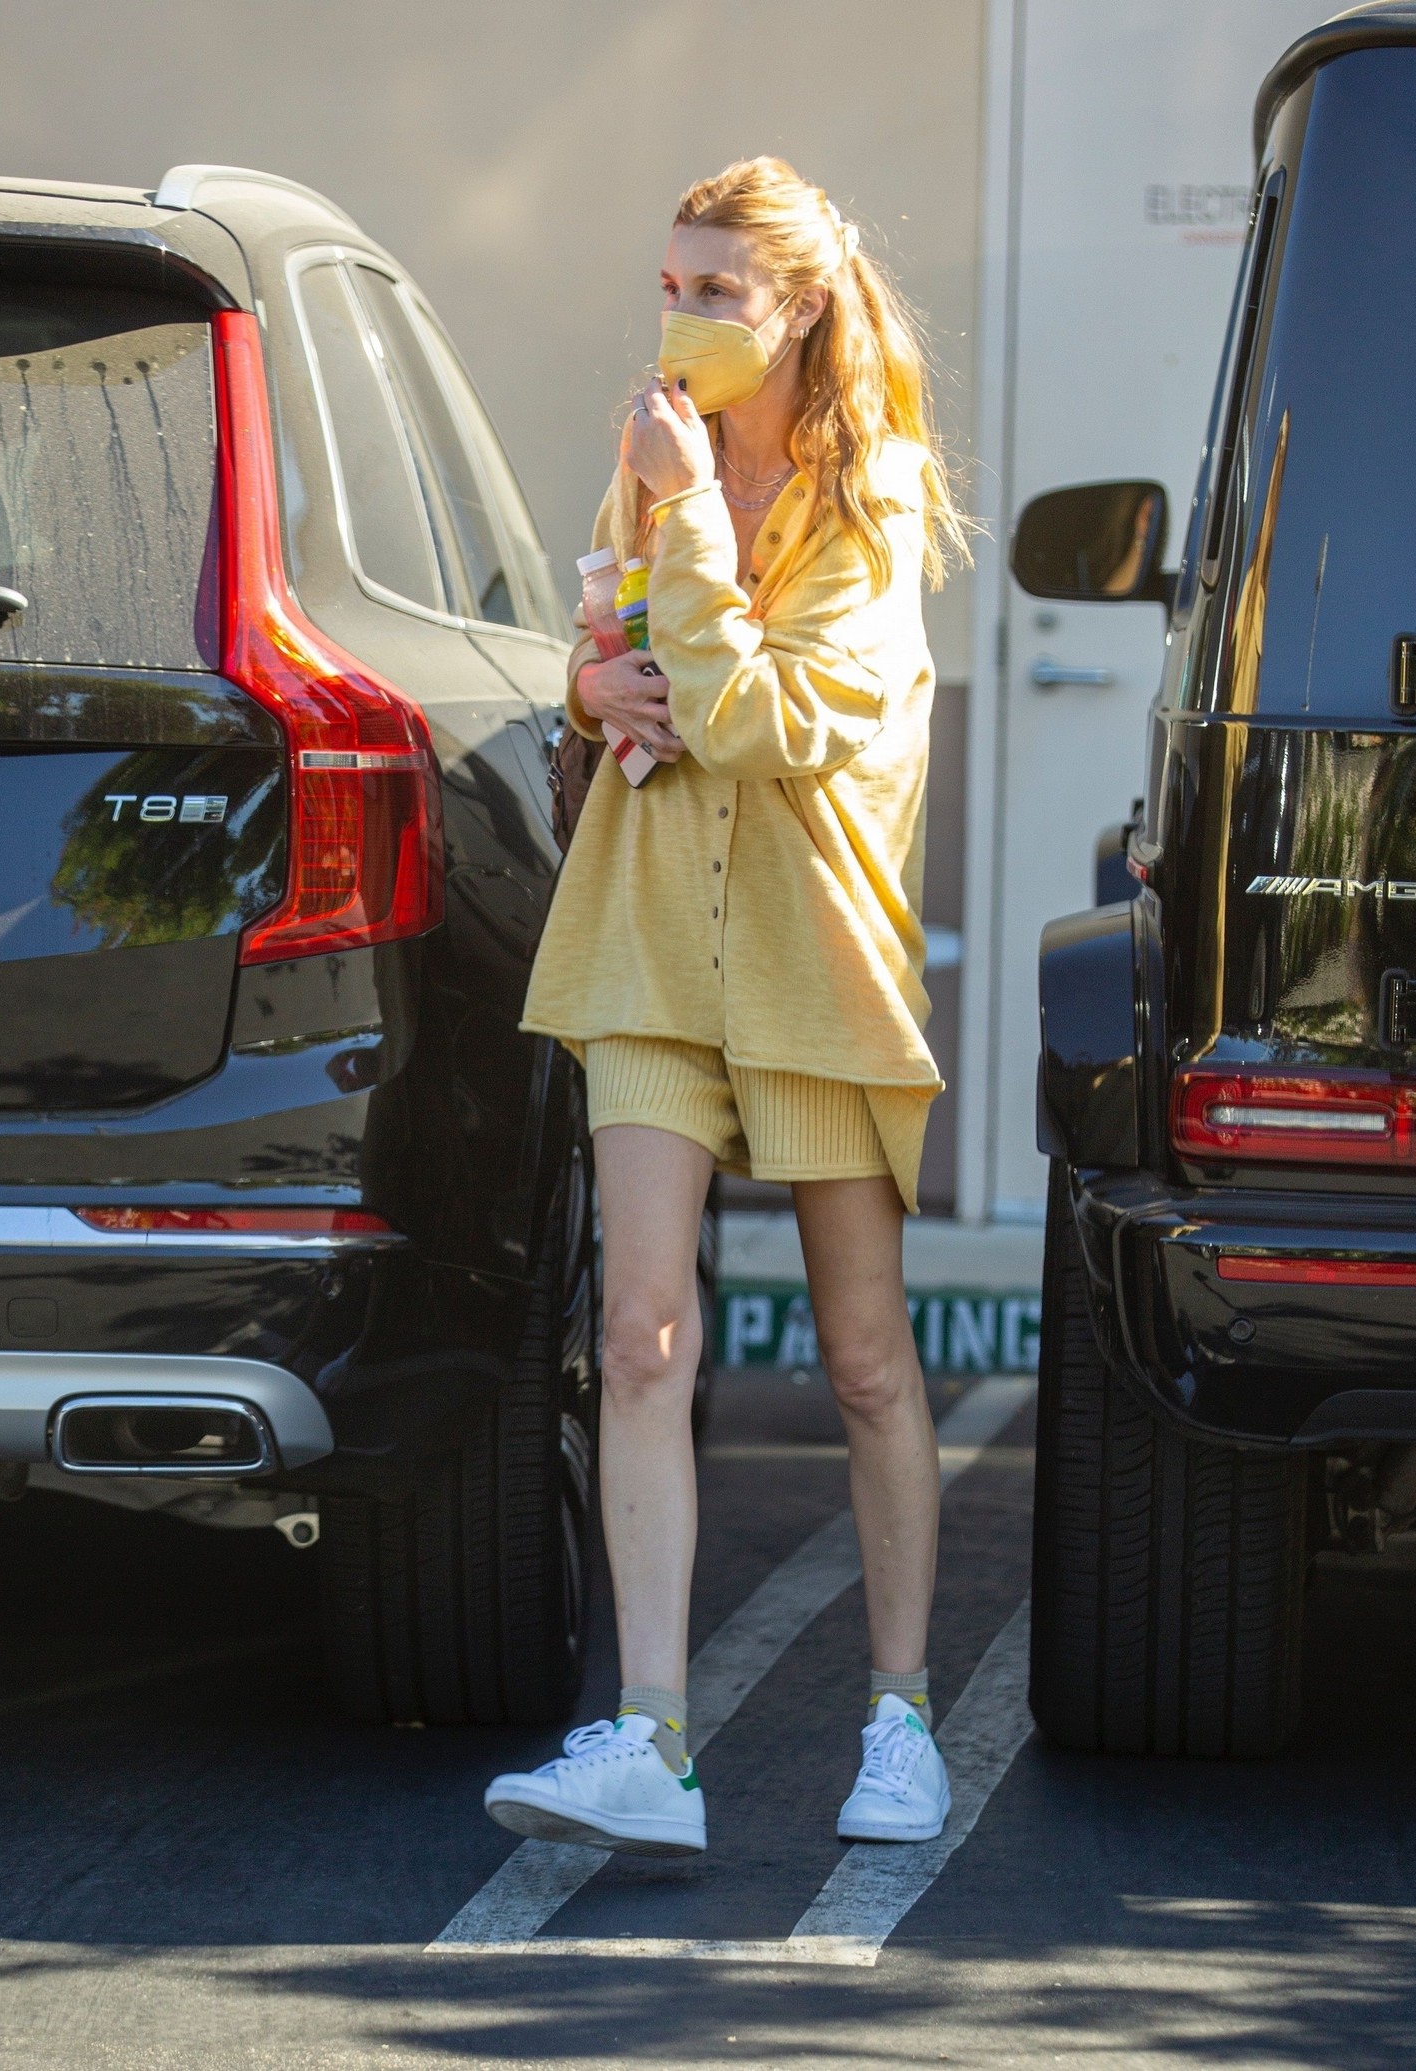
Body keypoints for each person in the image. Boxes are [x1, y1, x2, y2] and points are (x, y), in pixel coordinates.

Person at [484, 156, 966, 1857]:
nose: (683, 320)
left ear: (802, 307)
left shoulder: (869, 497)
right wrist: (591, 680)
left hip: (807, 955)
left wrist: (686, 525)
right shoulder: (652, 459)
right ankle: (652, 1739)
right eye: (671, 287)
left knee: (864, 1360)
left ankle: (902, 1719)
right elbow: (627, 653)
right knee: (640, 1333)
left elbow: (766, 723)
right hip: (644, 938)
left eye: (718, 293)